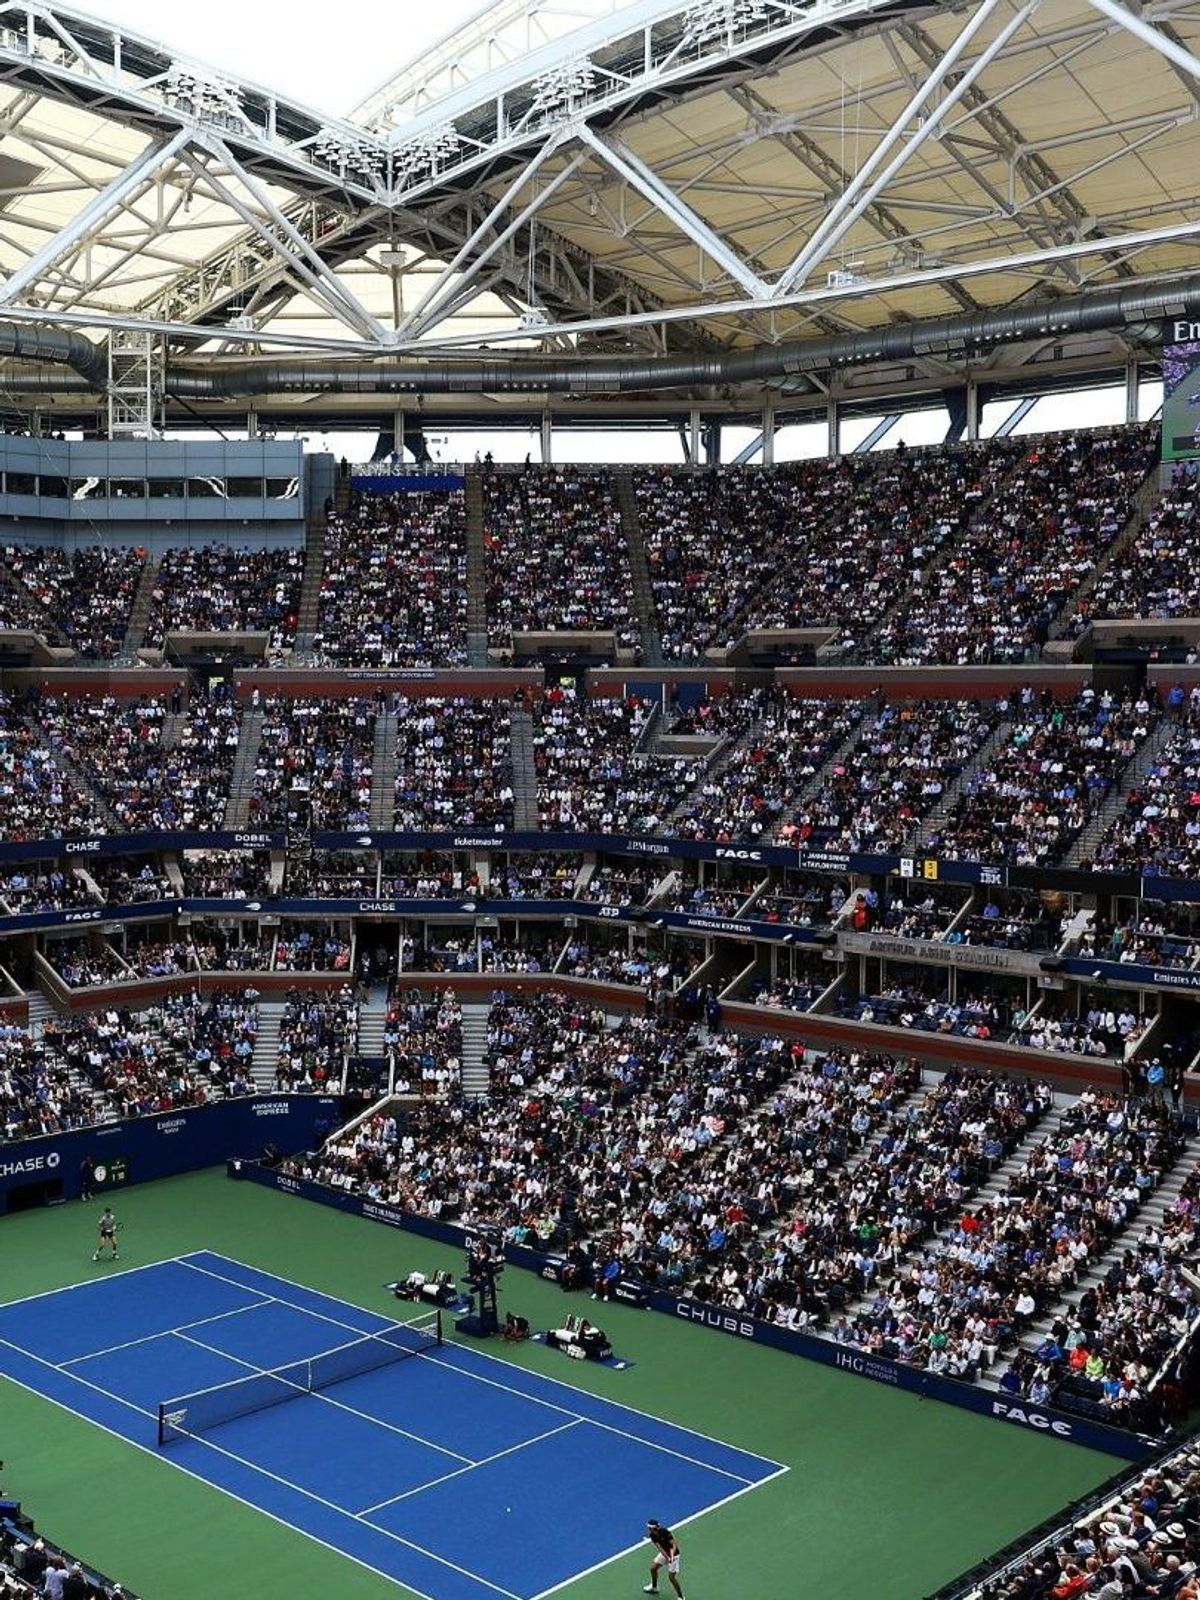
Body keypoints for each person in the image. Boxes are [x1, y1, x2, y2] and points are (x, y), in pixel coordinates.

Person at [644, 1520, 685, 1599]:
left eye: (649, 1528)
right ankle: (654, 1587)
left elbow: (674, 1545)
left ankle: (681, 1596)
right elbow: (659, 1548)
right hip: (665, 1554)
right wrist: (666, 1557)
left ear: (653, 1528)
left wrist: (671, 1557)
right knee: (653, 1569)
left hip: (674, 1554)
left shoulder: (664, 1532)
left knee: (671, 1577)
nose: (648, 1529)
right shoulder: (652, 1535)